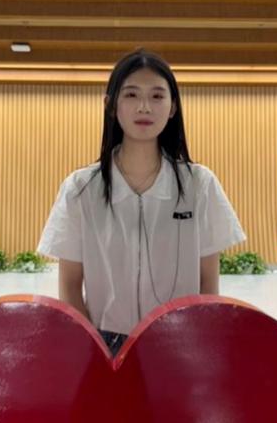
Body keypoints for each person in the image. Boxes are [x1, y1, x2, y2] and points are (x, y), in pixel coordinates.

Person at [38, 49, 246, 356]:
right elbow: (69, 287)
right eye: (131, 95)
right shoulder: (81, 188)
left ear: (173, 107)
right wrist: (94, 350)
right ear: (111, 105)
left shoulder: (199, 185)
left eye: (157, 96)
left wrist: (200, 341)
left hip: (182, 340)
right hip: (103, 343)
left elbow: (208, 284)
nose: (144, 106)